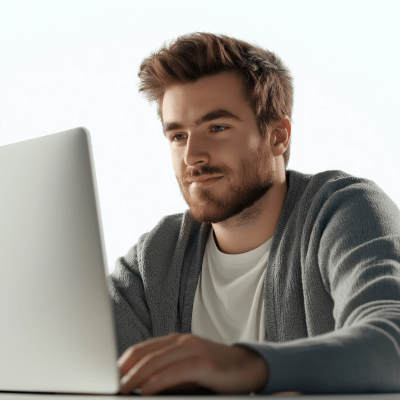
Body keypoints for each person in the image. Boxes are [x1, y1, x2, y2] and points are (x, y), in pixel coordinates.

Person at [107, 32, 400, 396]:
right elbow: (76, 356)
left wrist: (242, 364)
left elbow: (392, 341)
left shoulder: (343, 211)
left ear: (278, 135)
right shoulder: (156, 256)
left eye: (217, 127)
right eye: (178, 135)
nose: (192, 155)